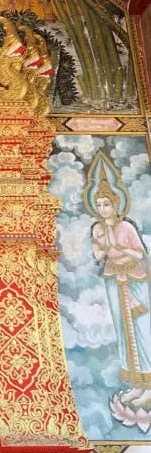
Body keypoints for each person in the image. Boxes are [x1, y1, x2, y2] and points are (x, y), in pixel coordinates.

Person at [90, 166, 151, 409]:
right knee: (123, 332)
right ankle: (136, 385)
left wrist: (118, 246)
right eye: (100, 204)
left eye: (107, 204)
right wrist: (106, 244)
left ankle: (149, 386)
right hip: (114, 280)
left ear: (116, 205)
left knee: (142, 330)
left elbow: (139, 254)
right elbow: (98, 256)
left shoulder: (126, 227)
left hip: (134, 281)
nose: (103, 209)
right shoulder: (97, 228)